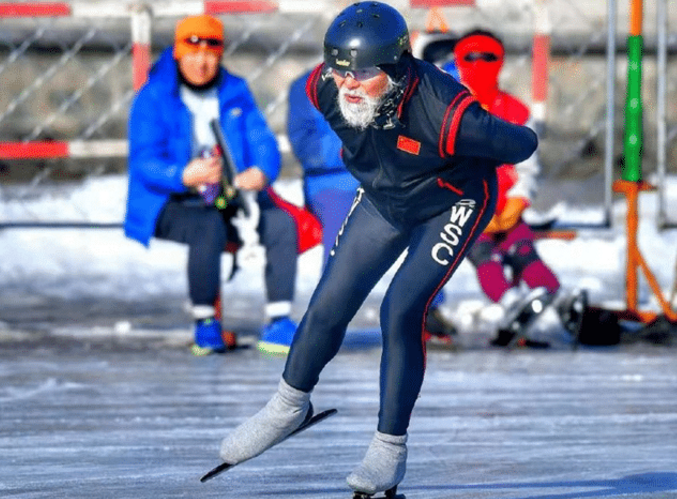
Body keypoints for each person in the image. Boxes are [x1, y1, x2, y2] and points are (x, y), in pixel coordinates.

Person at [216, 3, 537, 497]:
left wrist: (486, 136)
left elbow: (523, 143)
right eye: (340, 67)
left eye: (363, 72)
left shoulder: (449, 113)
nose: (347, 83)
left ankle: (389, 448)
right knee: (330, 301)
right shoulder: (323, 87)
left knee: (400, 309)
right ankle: (287, 405)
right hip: (385, 198)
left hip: (452, 201)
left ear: (396, 67)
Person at [124, 14, 299, 356]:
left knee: (281, 223)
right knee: (206, 228)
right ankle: (205, 322)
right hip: (172, 199)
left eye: (210, 54)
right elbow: (143, 161)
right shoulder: (154, 96)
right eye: (193, 53)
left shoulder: (235, 91)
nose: (201, 63)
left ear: (220, 55)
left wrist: (261, 172)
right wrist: (182, 175)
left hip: (227, 194)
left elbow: (262, 140)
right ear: (178, 54)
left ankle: (279, 321)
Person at [287, 68, 457, 341]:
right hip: (333, 179)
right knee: (342, 234)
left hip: (387, 172)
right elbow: (307, 146)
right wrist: (359, 143)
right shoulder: (306, 84)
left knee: (427, 218)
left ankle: (426, 308)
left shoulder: (389, 77)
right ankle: (327, 314)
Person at [454, 29, 581, 347]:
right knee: (484, 255)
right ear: (459, 61)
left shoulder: (514, 110)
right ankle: (511, 302)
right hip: (464, 208)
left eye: (489, 57)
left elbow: (528, 167)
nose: (479, 64)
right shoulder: (447, 108)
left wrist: (517, 202)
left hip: (505, 206)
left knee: (524, 251)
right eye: (471, 57)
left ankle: (555, 299)